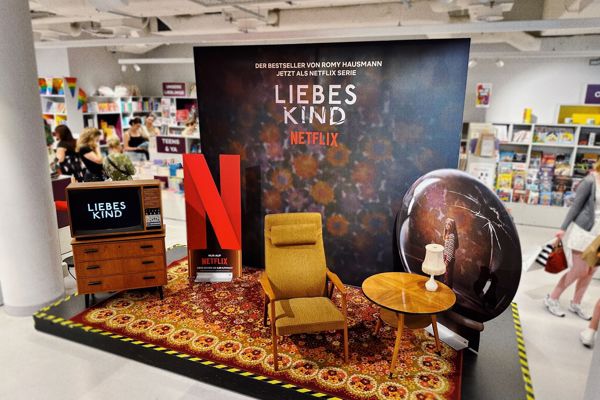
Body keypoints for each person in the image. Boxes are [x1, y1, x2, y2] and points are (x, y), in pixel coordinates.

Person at [545, 161, 600, 319]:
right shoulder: (589, 181)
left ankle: (576, 303)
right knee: (579, 270)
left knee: (590, 271)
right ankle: (552, 298)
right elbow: (576, 206)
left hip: (598, 235)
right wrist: (563, 228)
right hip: (584, 231)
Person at [442, 218, 459, 288]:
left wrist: (447, 260)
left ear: (452, 226)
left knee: (448, 278)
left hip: (449, 258)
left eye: (449, 224)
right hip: (446, 256)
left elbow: (450, 249)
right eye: (446, 224)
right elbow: (446, 248)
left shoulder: (452, 235)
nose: (447, 225)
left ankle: (448, 290)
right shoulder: (447, 234)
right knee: (445, 276)